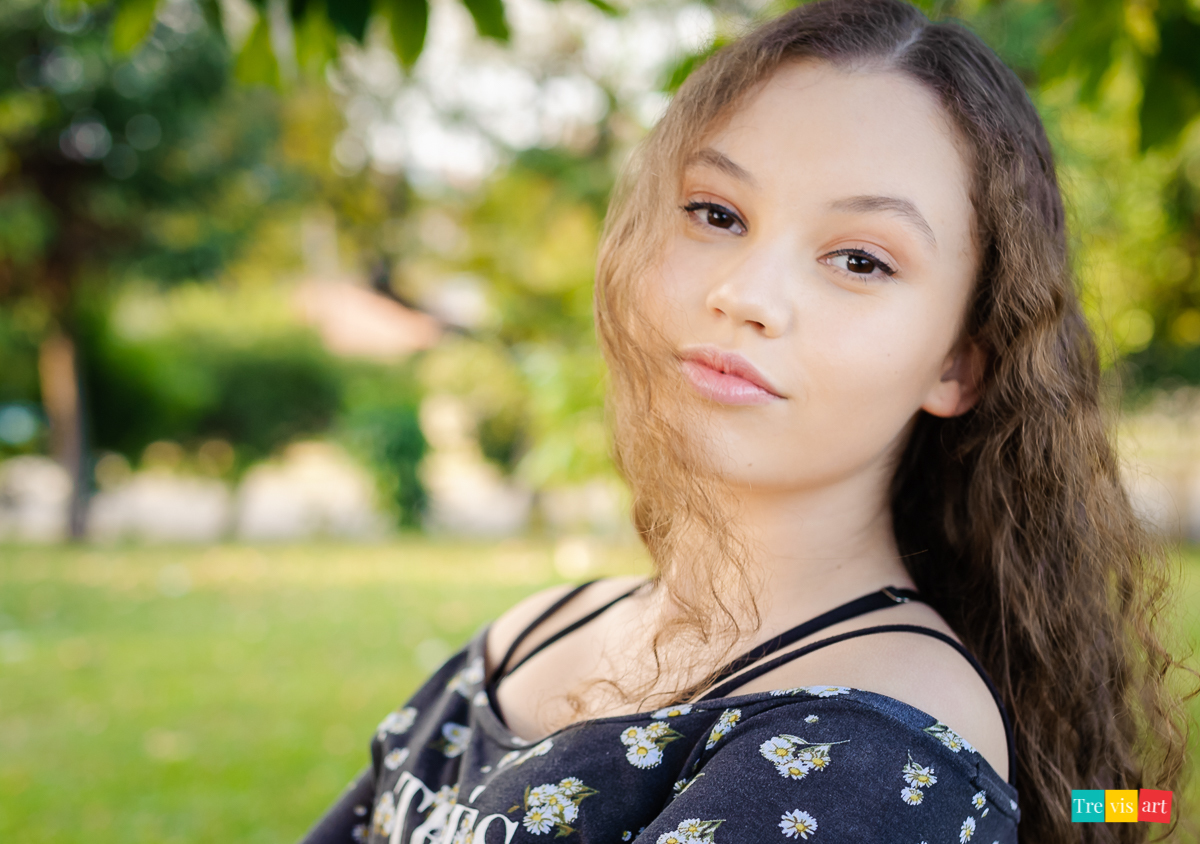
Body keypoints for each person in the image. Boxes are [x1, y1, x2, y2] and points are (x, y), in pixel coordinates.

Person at [300, 1, 1196, 842]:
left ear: (959, 363)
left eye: (859, 259)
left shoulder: (875, 750)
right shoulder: (531, 634)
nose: (746, 295)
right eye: (715, 213)